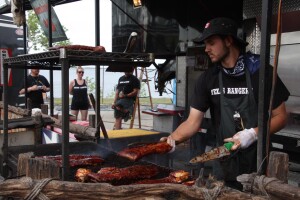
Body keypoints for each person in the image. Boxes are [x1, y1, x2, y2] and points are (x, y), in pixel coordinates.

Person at [161, 17, 290, 190]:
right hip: (224, 165)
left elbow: (281, 117)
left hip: (259, 164)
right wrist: (171, 139)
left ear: (228, 40)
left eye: (211, 43)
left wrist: (252, 134)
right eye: (205, 44)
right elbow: (192, 122)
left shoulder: (260, 72)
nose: (206, 49)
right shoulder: (209, 78)